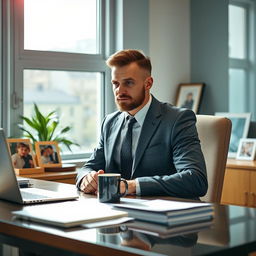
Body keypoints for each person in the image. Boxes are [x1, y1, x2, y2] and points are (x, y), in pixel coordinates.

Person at [76, 49, 207, 199]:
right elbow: (88, 167)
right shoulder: (109, 122)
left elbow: (195, 179)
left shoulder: (178, 120)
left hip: (165, 216)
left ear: (148, 83)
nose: (120, 91)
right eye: (115, 84)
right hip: (118, 215)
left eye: (129, 83)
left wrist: (131, 186)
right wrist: (86, 178)